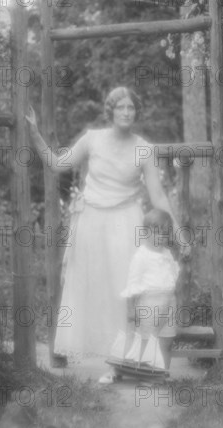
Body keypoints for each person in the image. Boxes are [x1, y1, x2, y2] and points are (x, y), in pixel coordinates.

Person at [25, 87, 183, 381]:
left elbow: (158, 196)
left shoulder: (143, 148)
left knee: (125, 290)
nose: (126, 112)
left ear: (136, 112)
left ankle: (121, 362)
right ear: (110, 112)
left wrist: (177, 230)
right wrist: (34, 133)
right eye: (120, 107)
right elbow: (58, 164)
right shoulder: (92, 139)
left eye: (131, 108)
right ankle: (102, 359)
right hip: (91, 223)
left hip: (126, 221)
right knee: (91, 287)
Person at [121, 208, 180, 372]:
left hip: (168, 303)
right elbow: (132, 284)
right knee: (147, 341)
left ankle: (163, 373)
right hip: (149, 303)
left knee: (166, 341)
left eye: (165, 234)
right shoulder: (141, 256)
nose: (161, 237)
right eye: (156, 233)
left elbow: (171, 277)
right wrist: (131, 309)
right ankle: (145, 373)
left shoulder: (167, 253)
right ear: (146, 233)